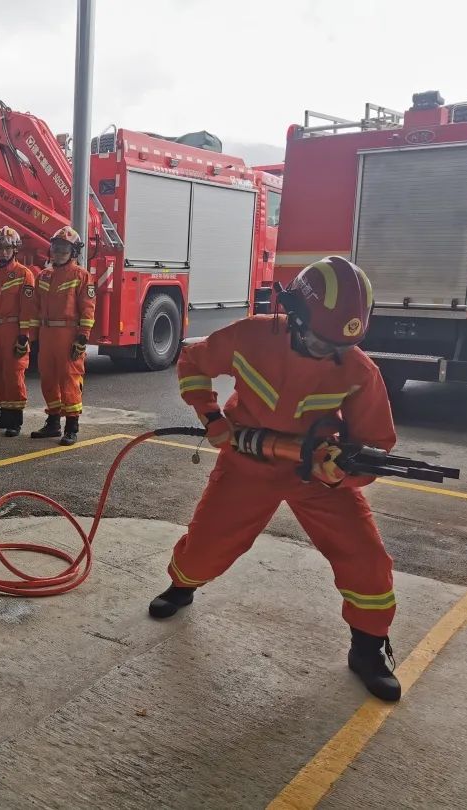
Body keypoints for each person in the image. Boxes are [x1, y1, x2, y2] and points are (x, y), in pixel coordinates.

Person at [150, 256, 402, 701]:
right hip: (246, 464)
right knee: (207, 547)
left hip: (316, 474)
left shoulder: (359, 370)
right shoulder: (250, 336)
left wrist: (342, 472)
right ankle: (182, 584)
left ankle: (367, 649)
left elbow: (376, 445)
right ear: (295, 317)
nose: (330, 353)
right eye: (321, 341)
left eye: (338, 347)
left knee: (366, 559)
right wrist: (211, 417)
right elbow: (193, 362)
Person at [29, 226, 95, 446]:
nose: (58, 252)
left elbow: (87, 309)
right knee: (47, 378)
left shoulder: (81, 276)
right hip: (47, 334)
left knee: (69, 379)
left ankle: (72, 426)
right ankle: (53, 422)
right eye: (56, 247)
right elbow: (35, 309)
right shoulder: (43, 276)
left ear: (73, 251)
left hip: (68, 335)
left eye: (64, 248)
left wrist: (82, 337)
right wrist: (34, 338)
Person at [0, 226, 36, 438]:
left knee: (14, 374)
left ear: (15, 249)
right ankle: (4, 412)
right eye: (0, 248)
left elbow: (27, 307)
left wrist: (24, 335)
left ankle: (15, 418)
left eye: (8, 248)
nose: (4, 252)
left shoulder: (24, 274)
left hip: (13, 330)